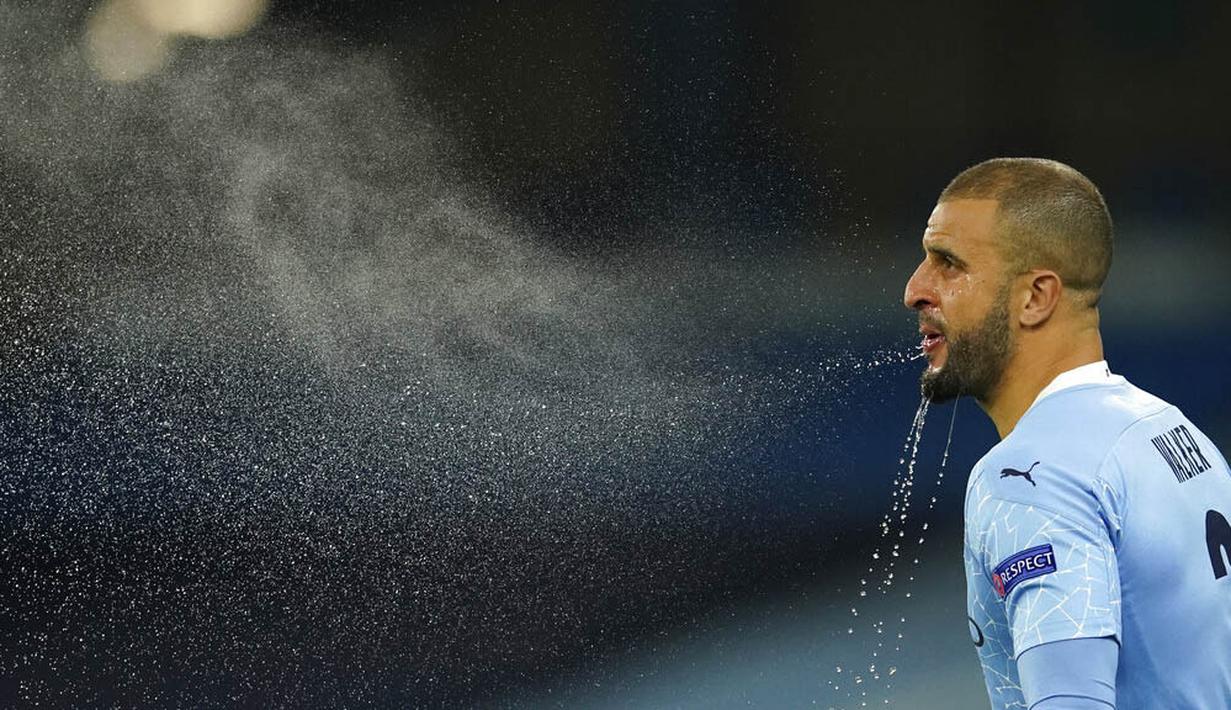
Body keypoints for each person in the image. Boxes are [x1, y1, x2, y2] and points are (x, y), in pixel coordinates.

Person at [902, 157, 1231, 709]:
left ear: (1036, 297)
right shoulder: (1172, 430)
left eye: (949, 264)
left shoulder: (1031, 478)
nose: (915, 289)